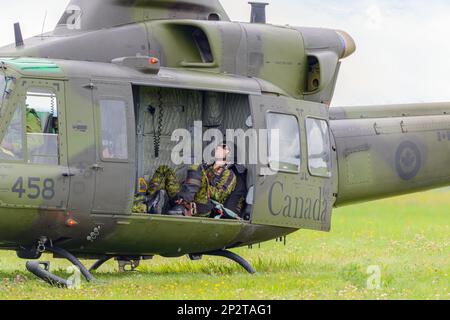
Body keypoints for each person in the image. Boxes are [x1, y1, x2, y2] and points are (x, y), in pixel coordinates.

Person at [133, 144, 238, 217]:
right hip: (187, 192)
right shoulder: (207, 167)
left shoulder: (229, 174)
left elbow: (220, 196)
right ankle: (152, 198)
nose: (218, 148)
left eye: (223, 147)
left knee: (196, 167)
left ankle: (182, 202)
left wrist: (202, 182)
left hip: (203, 202)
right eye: (219, 146)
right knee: (164, 169)